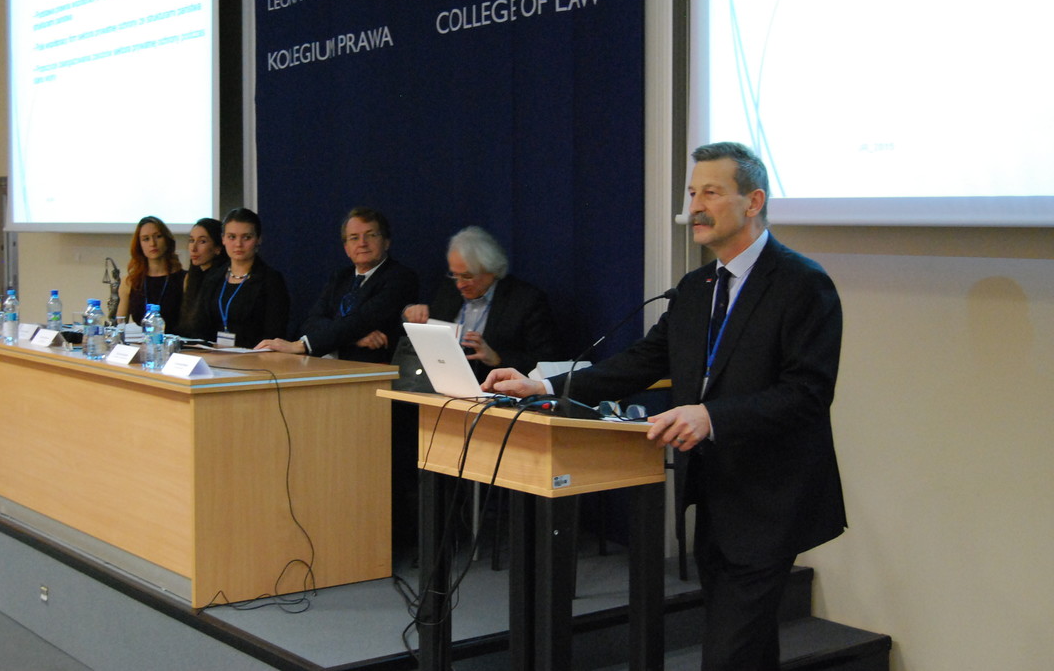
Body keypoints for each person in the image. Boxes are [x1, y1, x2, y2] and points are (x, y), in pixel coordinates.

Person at [483, 142, 845, 671]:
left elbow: (808, 393)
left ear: (753, 201)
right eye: (692, 193)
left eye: (711, 193)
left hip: (773, 498)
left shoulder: (802, 283)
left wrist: (711, 417)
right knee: (747, 646)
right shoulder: (697, 287)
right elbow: (640, 362)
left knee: (729, 652)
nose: (694, 206)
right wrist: (544, 385)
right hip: (715, 491)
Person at [259, 207, 418, 362]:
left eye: (371, 235)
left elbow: (362, 320)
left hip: (374, 369)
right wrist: (353, 338)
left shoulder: (400, 278)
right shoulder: (341, 277)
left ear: (386, 242)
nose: (362, 243)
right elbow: (311, 323)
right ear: (346, 248)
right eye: (354, 238)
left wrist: (304, 345)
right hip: (330, 366)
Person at [403, 225, 560, 382]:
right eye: (455, 275)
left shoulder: (526, 301)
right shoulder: (449, 290)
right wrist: (413, 313)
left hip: (496, 389)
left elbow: (546, 362)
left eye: (467, 276)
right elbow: (431, 330)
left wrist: (497, 358)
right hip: (444, 383)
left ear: (491, 270)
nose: (459, 284)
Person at [190, 208, 289, 347]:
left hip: (254, 356)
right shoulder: (213, 277)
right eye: (232, 237)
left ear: (258, 239)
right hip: (213, 355)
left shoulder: (271, 280)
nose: (238, 244)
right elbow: (199, 327)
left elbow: (274, 333)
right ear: (223, 239)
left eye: (246, 237)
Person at [116, 215, 186, 332]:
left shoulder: (184, 279)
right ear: (139, 245)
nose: (153, 243)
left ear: (167, 240)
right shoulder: (130, 281)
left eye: (158, 236)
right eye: (146, 239)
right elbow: (120, 326)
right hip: (140, 341)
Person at [179, 217, 226, 340]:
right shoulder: (190, 278)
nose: (193, 248)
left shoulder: (225, 279)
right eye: (191, 240)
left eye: (202, 241)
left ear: (218, 247)